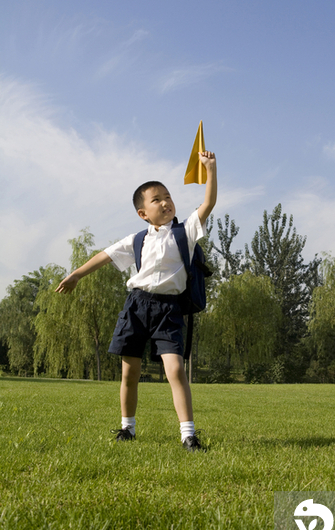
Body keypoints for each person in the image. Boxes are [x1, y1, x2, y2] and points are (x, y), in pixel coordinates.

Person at [56, 150, 217, 451]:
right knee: (129, 372)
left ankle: (188, 435)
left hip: (168, 309)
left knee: (176, 370)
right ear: (143, 213)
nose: (165, 202)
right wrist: (77, 275)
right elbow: (104, 256)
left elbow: (207, 204)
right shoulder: (137, 240)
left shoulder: (186, 233)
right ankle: (127, 428)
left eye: (167, 196)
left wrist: (210, 170)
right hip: (137, 306)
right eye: (156, 199)